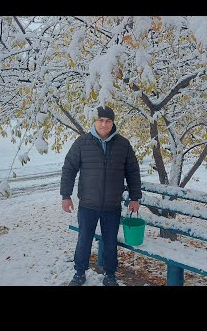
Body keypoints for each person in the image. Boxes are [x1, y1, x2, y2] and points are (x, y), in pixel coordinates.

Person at [60, 105, 142, 286]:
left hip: (112, 205)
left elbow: (133, 171)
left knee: (110, 242)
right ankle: (79, 273)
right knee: (84, 240)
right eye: (101, 120)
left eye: (108, 121)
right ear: (95, 122)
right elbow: (69, 169)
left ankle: (110, 275)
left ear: (113, 123)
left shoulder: (123, 144)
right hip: (88, 204)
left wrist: (135, 197)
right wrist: (66, 195)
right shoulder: (82, 143)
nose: (104, 124)